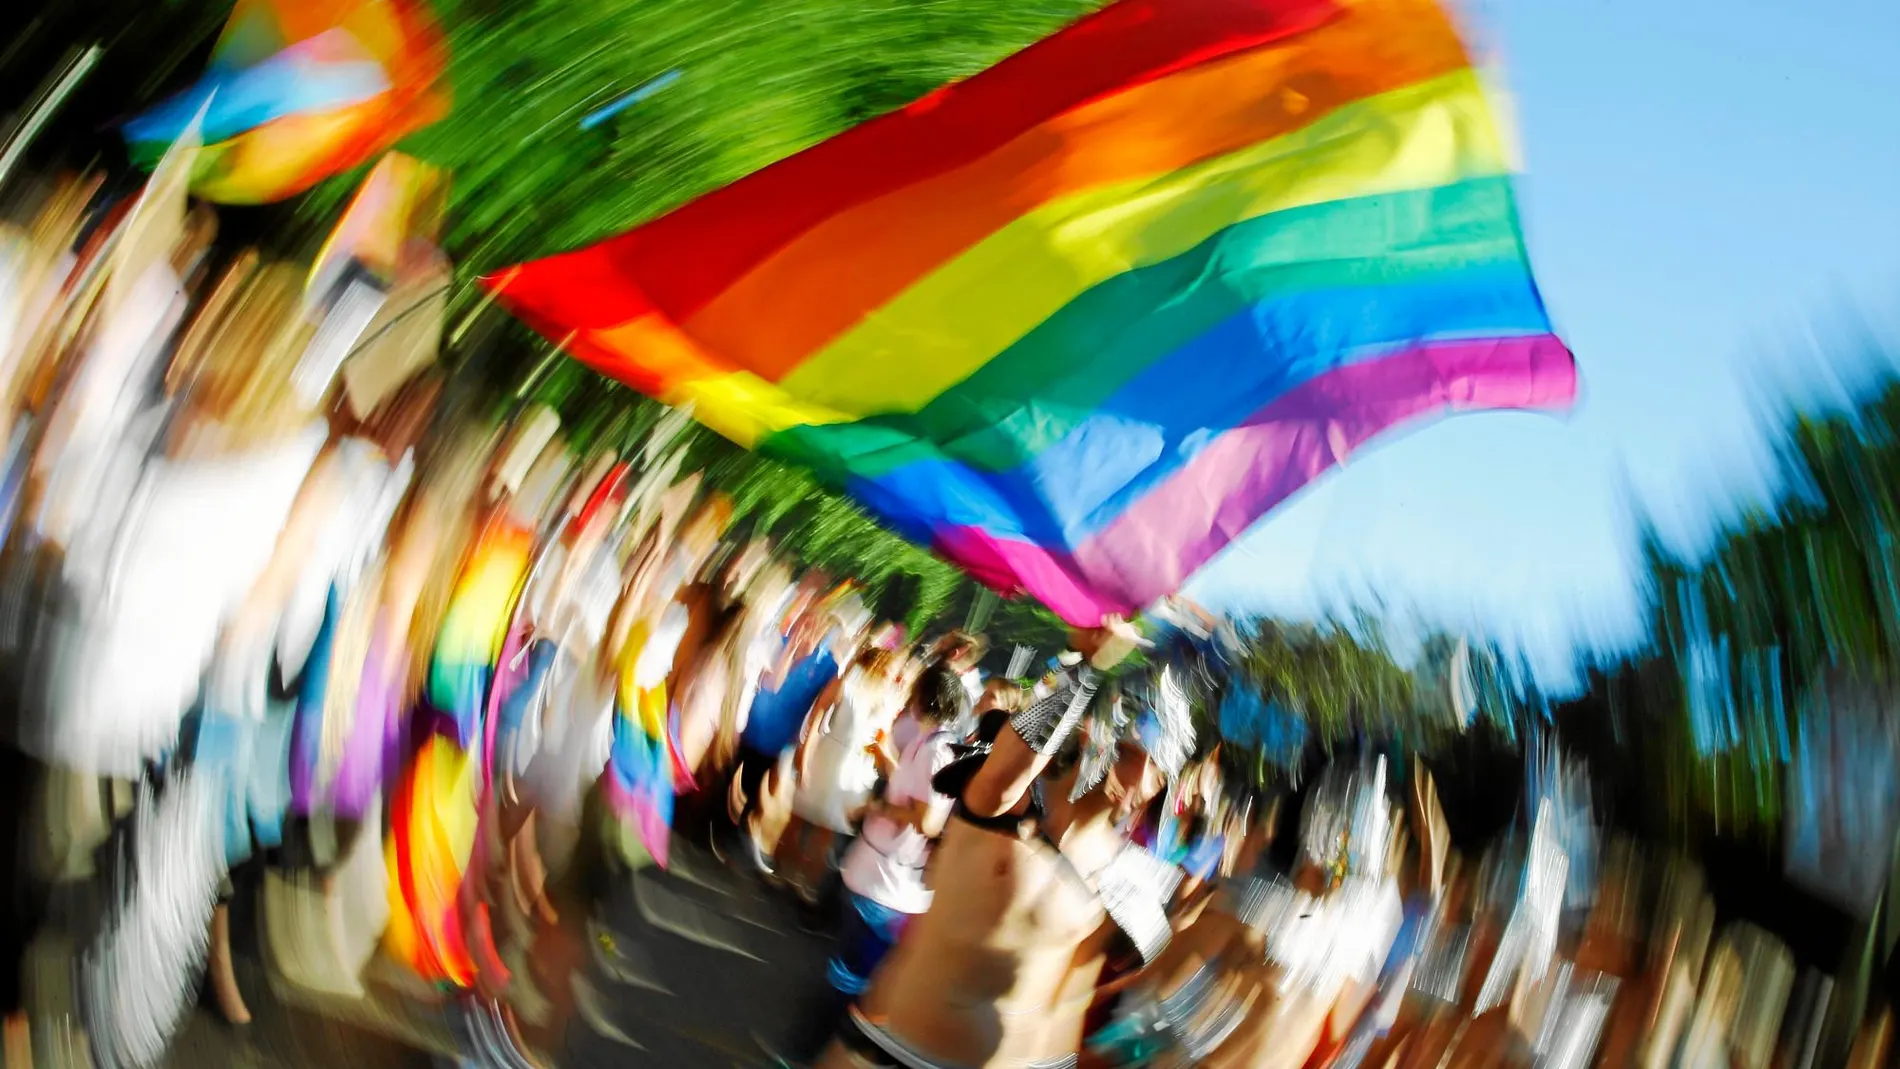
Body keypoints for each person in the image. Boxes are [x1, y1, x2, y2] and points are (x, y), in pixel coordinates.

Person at [817, 617, 1180, 1069]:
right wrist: (1086, 668)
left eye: (1156, 771)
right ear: (1094, 735)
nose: (1140, 776)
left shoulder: (1124, 873)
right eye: (1130, 754)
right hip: (893, 1046)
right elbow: (1012, 763)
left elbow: (1067, 1001)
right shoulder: (1010, 802)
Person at [785, 662, 969, 1060]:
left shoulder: (938, 749)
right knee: (844, 977)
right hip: (874, 877)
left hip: (889, 890)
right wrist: (886, 764)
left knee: (846, 984)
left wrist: (880, 808)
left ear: (927, 696)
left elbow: (929, 820)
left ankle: (806, 1052)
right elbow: (912, 796)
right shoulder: (926, 741)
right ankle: (813, 1047)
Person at [780, 647, 905, 904]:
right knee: (800, 815)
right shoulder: (846, 683)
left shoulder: (887, 700)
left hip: (856, 769)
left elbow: (884, 738)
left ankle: (805, 883)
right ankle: (783, 868)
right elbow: (817, 716)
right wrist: (805, 754)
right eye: (891, 670)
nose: (895, 677)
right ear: (878, 665)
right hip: (829, 755)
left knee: (829, 828)